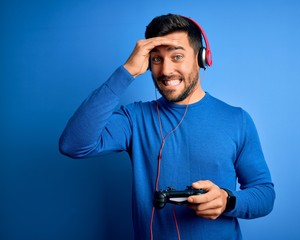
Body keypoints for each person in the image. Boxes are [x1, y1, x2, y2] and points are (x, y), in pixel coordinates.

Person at [59, 13, 275, 240]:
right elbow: (74, 145)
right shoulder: (135, 118)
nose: (165, 70)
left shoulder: (237, 120)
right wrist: (126, 72)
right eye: (156, 59)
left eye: (177, 56)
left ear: (201, 59)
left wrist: (227, 201)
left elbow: (264, 194)